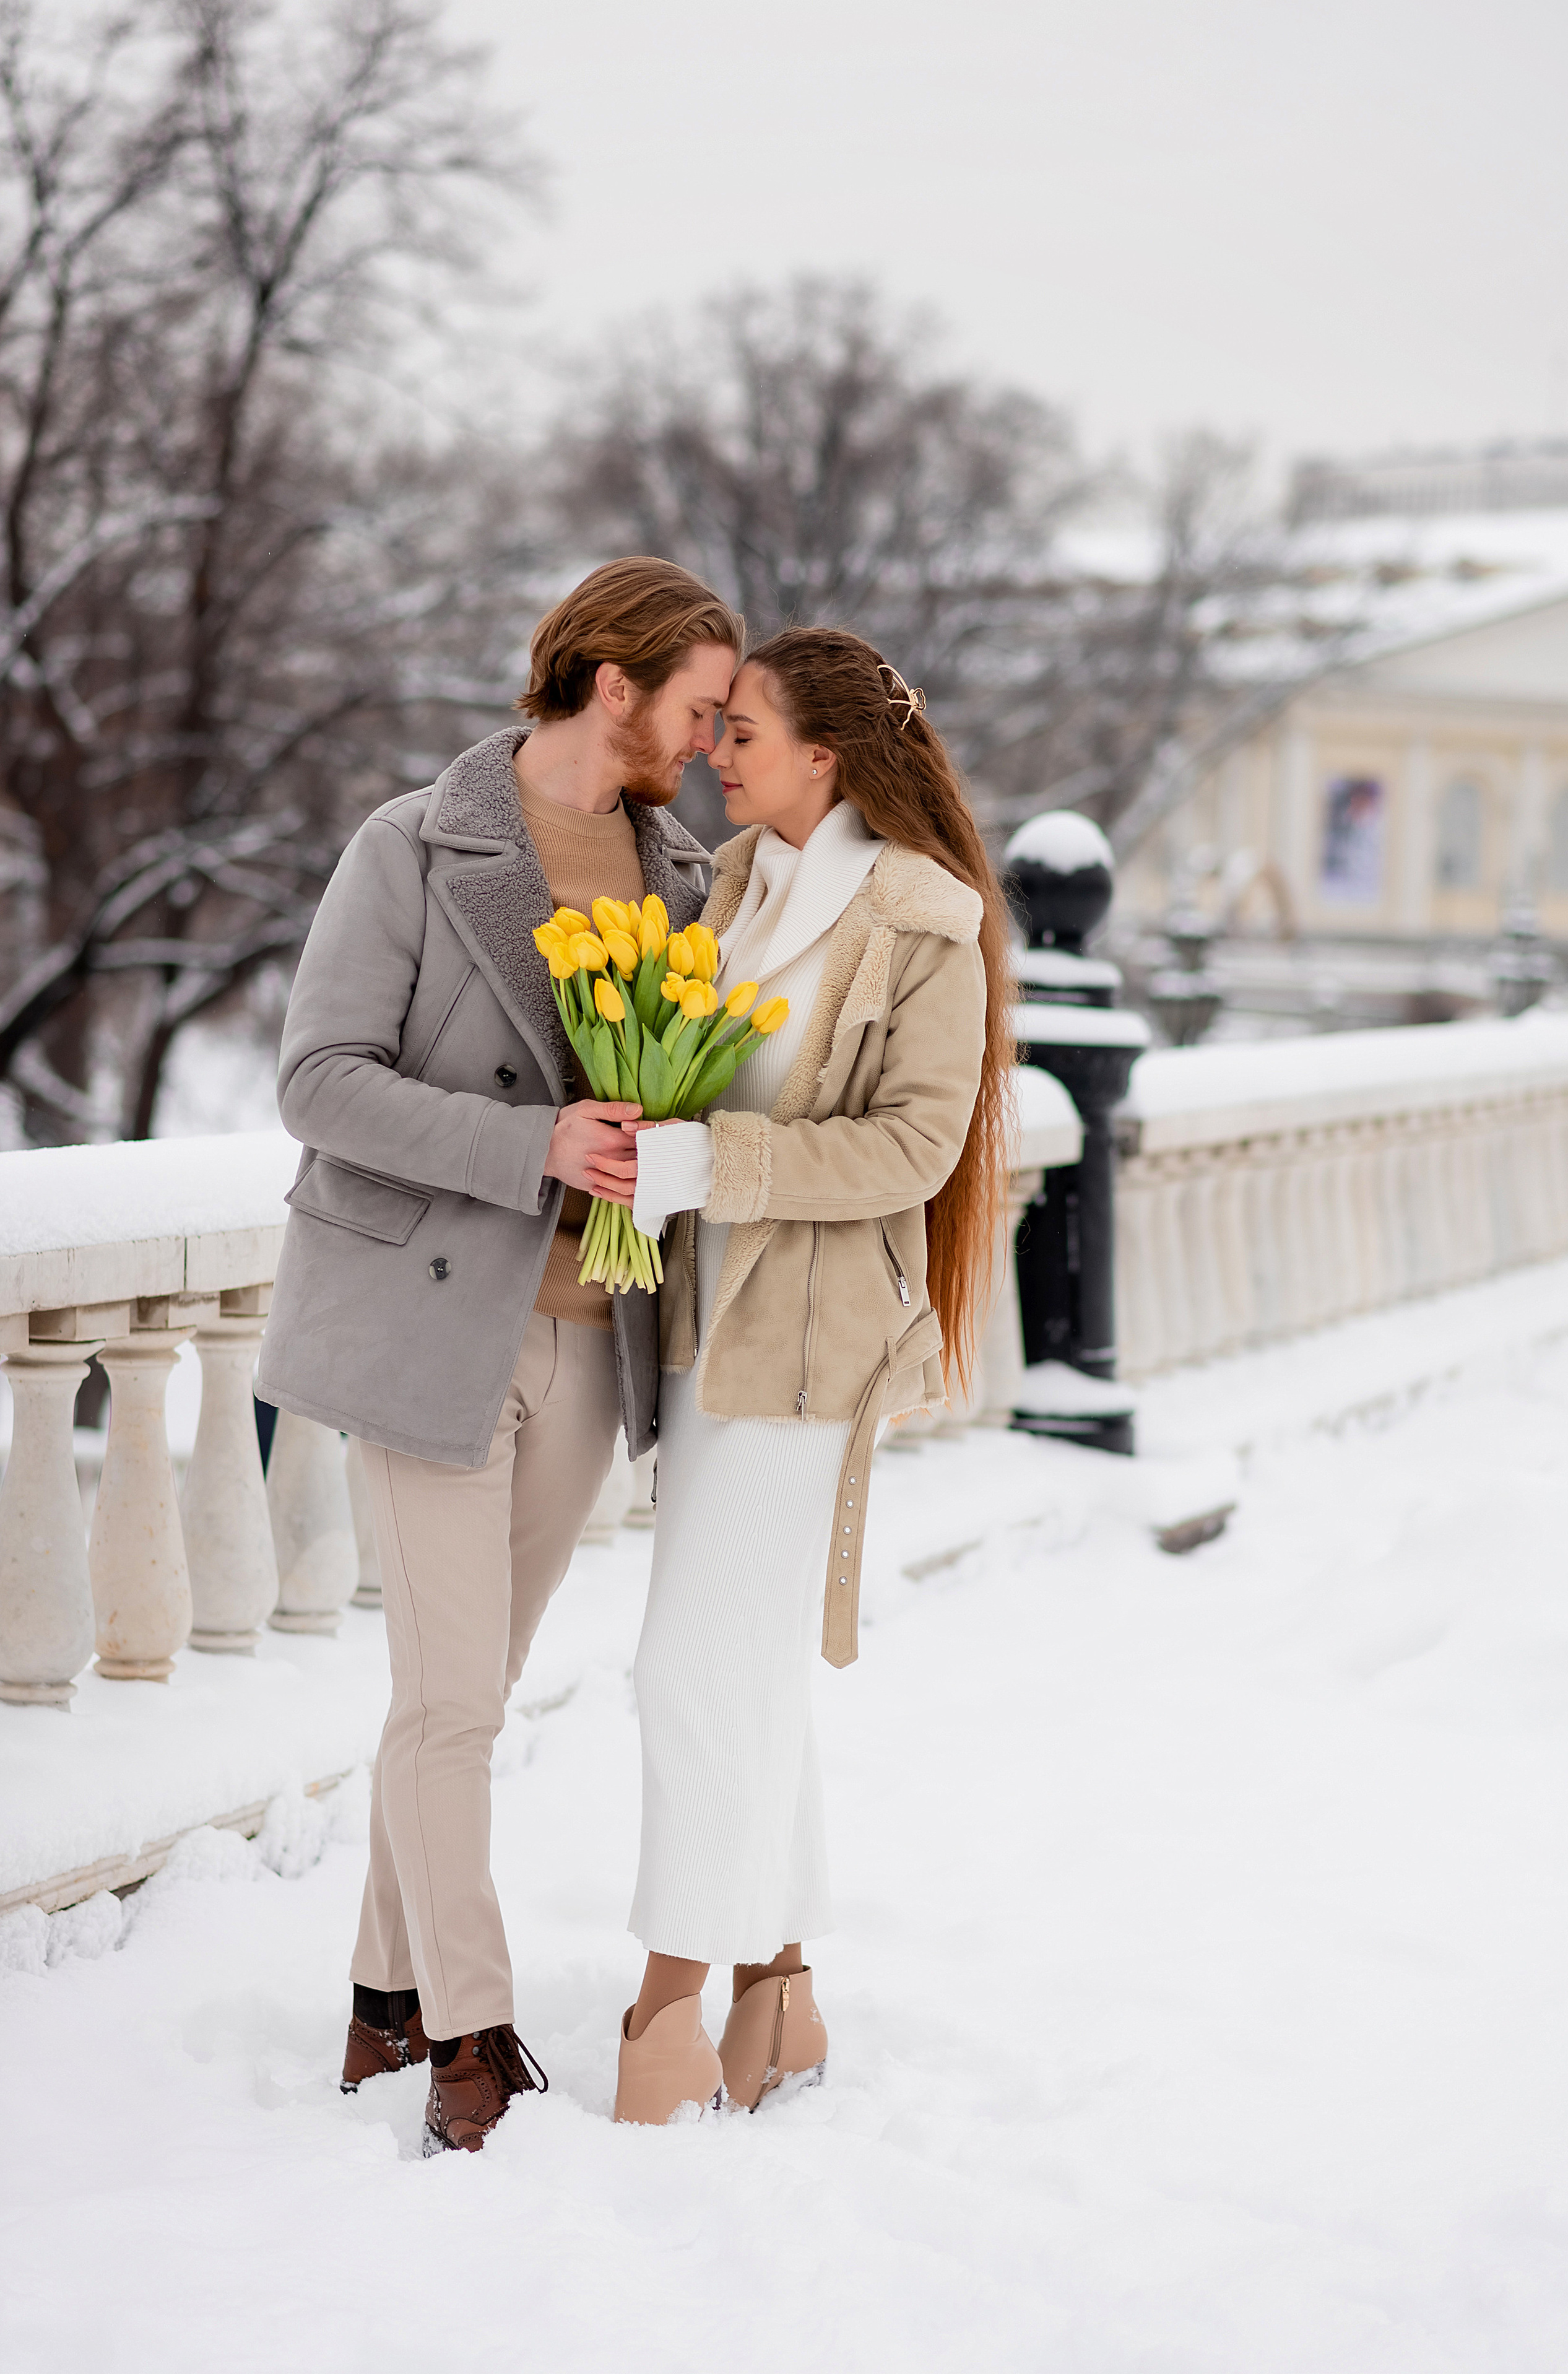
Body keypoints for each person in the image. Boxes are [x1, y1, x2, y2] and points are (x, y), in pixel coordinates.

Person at [256, 557, 744, 2153]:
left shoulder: (687, 878)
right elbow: (320, 1081)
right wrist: (536, 1139)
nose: (709, 737)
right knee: (452, 1706)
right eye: (695, 705)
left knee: (457, 1698)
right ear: (613, 684)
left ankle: (373, 2001)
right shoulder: (410, 844)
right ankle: (471, 2029)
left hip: (600, 1348)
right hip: (426, 1326)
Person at [610, 625, 1013, 2123]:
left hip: (809, 1352)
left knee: (687, 1671)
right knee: (742, 1668)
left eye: (745, 733)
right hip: (705, 1330)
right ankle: (777, 1994)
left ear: (827, 756)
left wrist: (716, 1160)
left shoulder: (919, 919)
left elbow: (917, 1145)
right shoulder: (736, 887)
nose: (716, 748)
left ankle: (668, 2004)